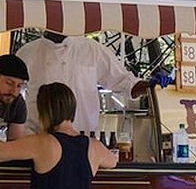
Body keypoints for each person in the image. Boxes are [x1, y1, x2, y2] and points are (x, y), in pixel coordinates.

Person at [15, 33, 154, 134]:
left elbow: (125, 83)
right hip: (38, 140)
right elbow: (13, 96)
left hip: (82, 140)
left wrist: (151, 86)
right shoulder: (27, 52)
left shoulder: (92, 49)